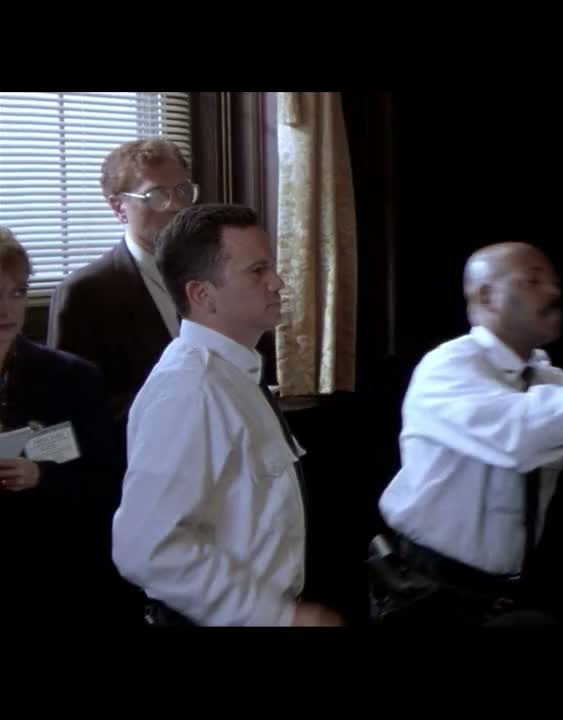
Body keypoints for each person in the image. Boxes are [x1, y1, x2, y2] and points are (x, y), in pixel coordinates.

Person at [374, 242, 563, 626]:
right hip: (425, 591)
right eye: (533, 280)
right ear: (487, 296)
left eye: (553, 281)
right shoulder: (447, 367)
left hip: (501, 595)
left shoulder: (553, 384)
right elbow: (521, 435)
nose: (553, 292)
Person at [111, 204, 341, 626]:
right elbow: (145, 547)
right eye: (257, 271)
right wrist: (277, 616)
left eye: (270, 266)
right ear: (202, 294)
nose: (277, 282)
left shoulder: (236, 374)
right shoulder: (189, 390)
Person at [0, 226, 125, 625]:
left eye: (17, 293)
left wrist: (41, 477)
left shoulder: (72, 378)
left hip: (57, 579)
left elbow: (111, 485)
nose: (6, 310)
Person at [47, 138, 196, 446]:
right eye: (157, 195)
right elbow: (73, 411)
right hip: (136, 457)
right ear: (118, 207)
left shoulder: (211, 274)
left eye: (183, 191)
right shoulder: (85, 293)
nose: (177, 206)